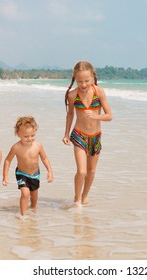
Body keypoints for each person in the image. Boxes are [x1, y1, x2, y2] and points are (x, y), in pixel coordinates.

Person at [62, 61, 113, 207]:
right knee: (82, 171)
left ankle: (84, 196)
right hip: (79, 135)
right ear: (74, 79)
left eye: (86, 81)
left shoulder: (99, 92)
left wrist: (96, 116)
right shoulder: (73, 95)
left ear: (92, 77)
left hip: (95, 136)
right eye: (79, 81)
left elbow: (109, 116)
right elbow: (70, 115)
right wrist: (66, 134)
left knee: (91, 171)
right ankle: (77, 199)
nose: (83, 84)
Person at [2, 116, 53, 217]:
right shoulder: (16, 147)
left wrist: (50, 172)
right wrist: (5, 175)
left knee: (34, 194)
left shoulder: (38, 145)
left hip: (35, 174)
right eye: (26, 136)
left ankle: (33, 209)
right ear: (18, 134)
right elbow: (7, 160)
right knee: (25, 194)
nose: (30, 138)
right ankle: (23, 215)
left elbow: (44, 158)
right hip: (21, 173)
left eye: (32, 135)